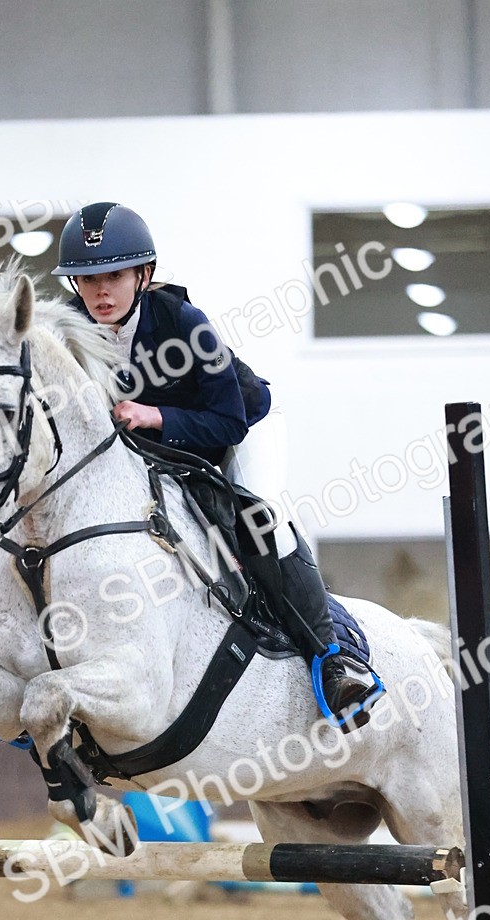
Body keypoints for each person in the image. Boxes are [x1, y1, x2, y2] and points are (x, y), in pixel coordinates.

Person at [52, 202, 378, 728]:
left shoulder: (184, 323)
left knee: (263, 521)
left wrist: (154, 415)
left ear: (143, 276)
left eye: (114, 276)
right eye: (88, 280)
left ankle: (333, 660)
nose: (101, 292)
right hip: (155, 453)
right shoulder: (65, 331)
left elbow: (228, 422)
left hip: (238, 429)